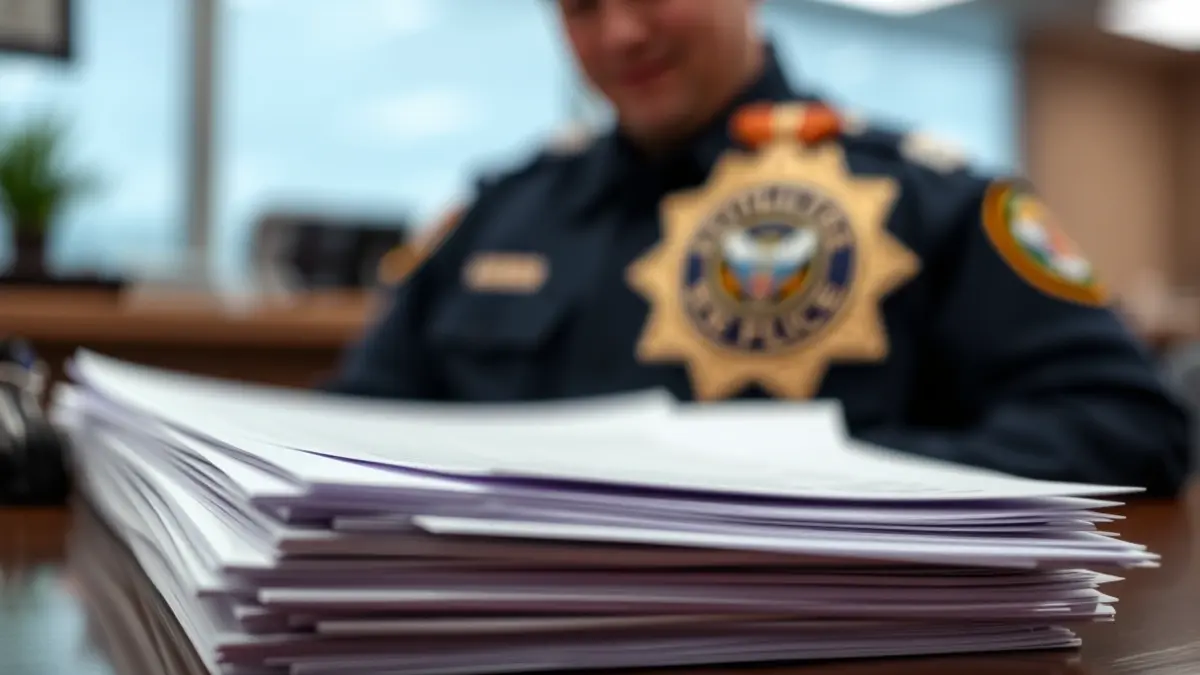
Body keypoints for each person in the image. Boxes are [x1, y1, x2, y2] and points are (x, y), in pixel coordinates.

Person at [325, 0, 1191, 496]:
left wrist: (826, 477)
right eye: (582, 6)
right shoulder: (496, 214)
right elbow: (349, 429)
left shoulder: (928, 199)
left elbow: (1129, 428)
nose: (621, 34)